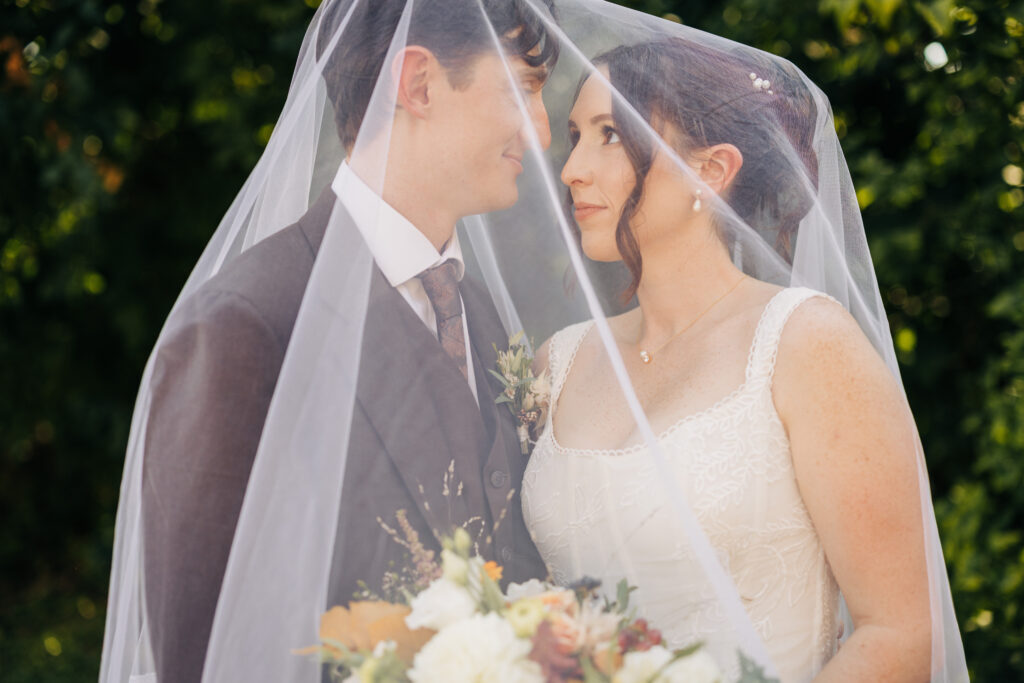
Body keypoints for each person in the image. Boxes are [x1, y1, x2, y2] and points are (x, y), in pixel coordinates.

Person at [100, 1, 558, 682]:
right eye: (521, 90)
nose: (542, 133)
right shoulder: (244, 327)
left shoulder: (481, 313)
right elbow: (202, 656)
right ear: (420, 85)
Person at [520, 35, 966, 682]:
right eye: (575, 135)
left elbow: (900, 631)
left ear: (711, 168)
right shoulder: (556, 364)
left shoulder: (806, 346)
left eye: (611, 134)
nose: (571, 169)